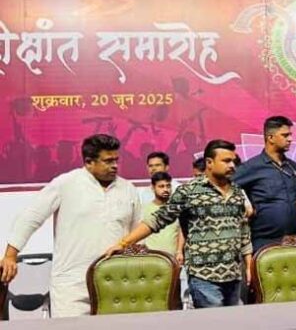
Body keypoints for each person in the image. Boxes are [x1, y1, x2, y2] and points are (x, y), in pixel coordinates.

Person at [0, 134, 141, 317]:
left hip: (116, 282)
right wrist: (10, 255)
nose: (114, 165)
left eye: (116, 160)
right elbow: (31, 217)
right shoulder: (66, 184)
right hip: (71, 284)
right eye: (108, 161)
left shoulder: (128, 189)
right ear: (89, 162)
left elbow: (138, 234)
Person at [105, 139, 252, 308]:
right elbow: (157, 220)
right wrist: (123, 243)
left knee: (234, 321)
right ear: (209, 163)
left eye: (233, 161)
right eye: (226, 161)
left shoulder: (237, 192)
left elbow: (243, 231)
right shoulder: (188, 191)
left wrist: (249, 266)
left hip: (234, 275)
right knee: (214, 322)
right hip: (204, 277)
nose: (232, 165)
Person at [233, 116, 296, 252]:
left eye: (290, 135)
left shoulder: (294, 167)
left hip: (294, 240)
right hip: (263, 241)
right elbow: (227, 187)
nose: (290, 139)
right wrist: (244, 201)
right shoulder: (251, 167)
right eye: (285, 135)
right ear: (270, 138)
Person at [142, 172, 182, 259]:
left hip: (172, 259)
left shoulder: (176, 208)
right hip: (151, 258)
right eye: (161, 186)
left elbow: (181, 231)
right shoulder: (145, 209)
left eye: (168, 186)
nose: (165, 189)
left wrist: (179, 251)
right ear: (153, 188)